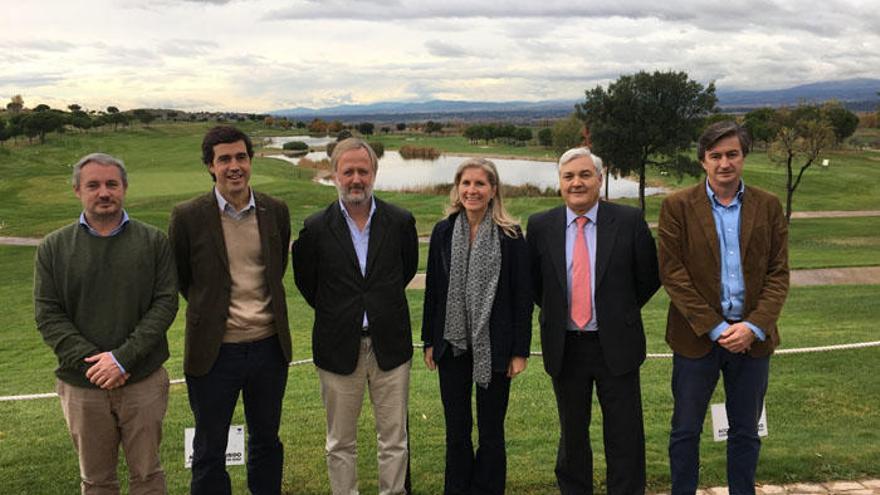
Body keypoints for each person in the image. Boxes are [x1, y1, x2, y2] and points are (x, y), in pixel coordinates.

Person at [34, 152, 178, 494]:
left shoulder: (153, 241)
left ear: (124, 188)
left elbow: (165, 304)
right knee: (96, 480)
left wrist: (122, 359)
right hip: (82, 387)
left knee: (148, 474)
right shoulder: (53, 247)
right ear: (77, 191)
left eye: (112, 184)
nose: (104, 192)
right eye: (93, 185)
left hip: (142, 380)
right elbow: (48, 314)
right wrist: (97, 366)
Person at [658, 121, 789, 495]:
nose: (724, 163)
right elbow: (673, 274)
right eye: (715, 156)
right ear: (703, 161)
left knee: (746, 432)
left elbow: (778, 273)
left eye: (732, 154)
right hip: (696, 339)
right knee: (685, 431)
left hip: (753, 340)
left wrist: (753, 326)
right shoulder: (677, 207)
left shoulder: (768, 206)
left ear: (744, 157)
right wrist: (716, 328)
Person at [527, 147, 660, 494]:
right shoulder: (541, 226)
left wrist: (619, 312)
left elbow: (648, 277)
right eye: (569, 176)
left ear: (600, 180)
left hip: (616, 344)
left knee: (625, 434)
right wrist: (563, 314)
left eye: (585, 175)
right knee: (572, 435)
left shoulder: (629, 221)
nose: (577, 183)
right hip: (566, 345)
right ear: (560, 182)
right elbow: (536, 285)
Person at [168, 126, 292, 495]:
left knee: (266, 441)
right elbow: (184, 278)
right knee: (209, 449)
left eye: (241, 157)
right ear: (210, 166)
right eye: (224, 159)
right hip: (214, 352)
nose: (234, 166)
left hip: (269, 348)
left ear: (250, 161)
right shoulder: (187, 216)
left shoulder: (276, 211)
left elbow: (275, 270)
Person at [292, 137, 418, 495]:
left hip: (389, 348)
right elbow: (308, 284)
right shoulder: (315, 228)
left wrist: (374, 307)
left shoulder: (400, 221)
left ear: (374, 173)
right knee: (340, 443)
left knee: (394, 439)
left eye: (363, 170)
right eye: (348, 171)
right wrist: (344, 313)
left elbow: (405, 271)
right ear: (334, 175)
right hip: (337, 347)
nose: (356, 178)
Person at [421, 158, 533, 495]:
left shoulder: (510, 235)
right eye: (466, 183)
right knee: (457, 430)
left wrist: (519, 351)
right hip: (452, 344)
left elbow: (522, 297)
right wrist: (429, 339)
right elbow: (433, 291)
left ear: (493, 190)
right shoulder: (444, 231)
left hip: (495, 346)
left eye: (480, 184)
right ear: (457, 188)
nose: (472, 190)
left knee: (490, 431)